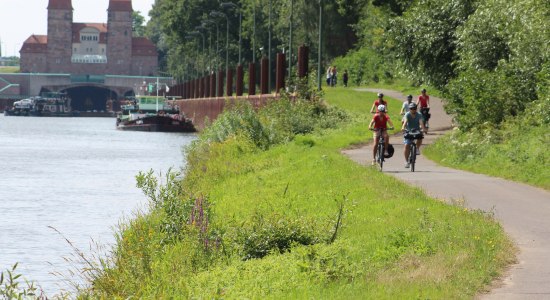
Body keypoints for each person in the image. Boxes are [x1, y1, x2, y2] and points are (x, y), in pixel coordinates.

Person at [402, 102, 427, 168]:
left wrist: (423, 129)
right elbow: (405, 121)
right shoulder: (407, 114)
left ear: (416, 109)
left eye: (414, 108)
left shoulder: (419, 114)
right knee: (407, 145)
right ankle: (406, 161)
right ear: (409, 109)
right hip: (409, 131)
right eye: (411, 109)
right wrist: (403, 128)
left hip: (416, 130)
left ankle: (417, 148)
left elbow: (421, 122)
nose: (413, 110)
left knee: (420, 137)